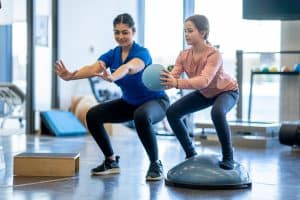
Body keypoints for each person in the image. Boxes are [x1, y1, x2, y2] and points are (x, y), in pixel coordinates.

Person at [55, 13, 170, 180]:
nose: (121, 36)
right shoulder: (113, 54)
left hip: (156, 102)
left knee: (141, 115)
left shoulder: (142, 53)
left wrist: (113, 76)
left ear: (133, 31)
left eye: (125, 32)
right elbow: (94, 67)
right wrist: (71, 75)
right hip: (130, 103)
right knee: (93, 115)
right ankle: (110, 161)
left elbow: (131, 67)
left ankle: (155, 164)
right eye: (117, 32)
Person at [161, 14, 239, 170]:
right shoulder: (183, 55)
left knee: (217, 112)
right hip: (205, 93)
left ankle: (228, 157)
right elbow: (174, 76)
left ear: (203, 33)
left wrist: (176, 83)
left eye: (190, 31)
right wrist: (163, 80)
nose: (186, 35)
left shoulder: (214, 54)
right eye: (185, 31)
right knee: (172, 113)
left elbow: (204, 80)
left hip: (226, 91)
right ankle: (190, 153)